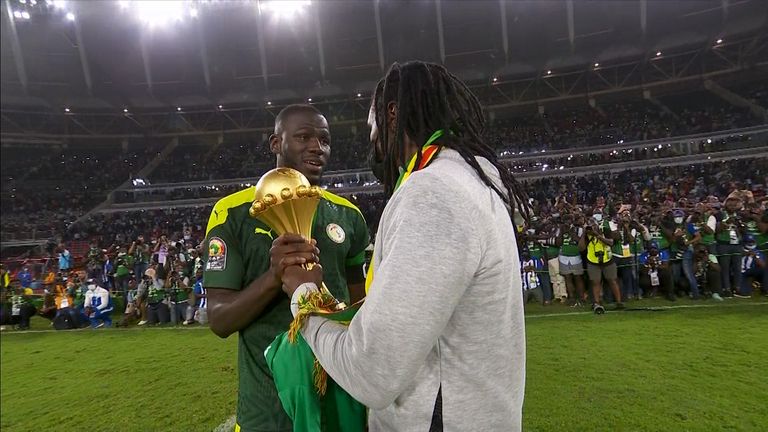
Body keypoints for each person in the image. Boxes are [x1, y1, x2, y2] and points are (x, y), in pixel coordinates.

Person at [279, 61, 529, 431]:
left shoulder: (434, 193)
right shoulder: (470, 181)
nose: (373, 141)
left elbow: (373, 372)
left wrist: (305, 299)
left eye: (373, 127)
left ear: (392, 114)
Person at [204, 104, 370, 431]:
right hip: (266, 411)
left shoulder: (349, 216)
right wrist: (274, 277)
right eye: (304, 137)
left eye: (324, 139)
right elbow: (220, 319)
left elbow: (360, 310)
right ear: (276, 143)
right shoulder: (232, 213)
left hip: (338, 402)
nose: (316, 147)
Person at [579, 212, 624, 313]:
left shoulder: (605, 230)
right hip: (592, 260)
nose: (592, 227)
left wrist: (597, 235)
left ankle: (619, 302)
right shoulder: (587, 234)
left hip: (607, 259)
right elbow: (581, 248)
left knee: (612, 280)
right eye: (591, 225)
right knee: (595, 282)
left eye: (594, 224)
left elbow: (611, 242)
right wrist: (584, 234)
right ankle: (596, 303)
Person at [716, 195, 746, 296]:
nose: (732, 207)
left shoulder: (740, 215)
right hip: (723, 244)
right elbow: (716, 230)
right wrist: (726, 222)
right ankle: (727, 289)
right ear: (725, 205)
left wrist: (740, 226)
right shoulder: (720, 215)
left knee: (738, 268)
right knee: (725, 268)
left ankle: (737, 288)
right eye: (730, 205)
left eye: (734, 205)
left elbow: (743, 231)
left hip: (736, 244)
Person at [557, 213, 586, 306]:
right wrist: (562, 232)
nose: (567, 222)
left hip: (575, 256)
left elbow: (581, 243)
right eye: (566, 221)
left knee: (578, 278)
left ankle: (581, 297)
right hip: (563, 257)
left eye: (569, 220)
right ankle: (572, 298)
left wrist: (571, 232)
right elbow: (558, 243)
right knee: (568, 278)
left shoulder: (579, 230)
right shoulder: (560, 229)